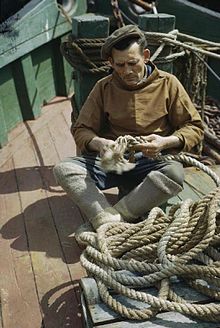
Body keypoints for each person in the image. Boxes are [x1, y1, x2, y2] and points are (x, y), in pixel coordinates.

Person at [53, 25, 204, 236]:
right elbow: (82, 129)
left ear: (145, 55)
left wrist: (165, 142)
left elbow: (194, 127)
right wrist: (100, 143)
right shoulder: (103, 87)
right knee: (64, 169)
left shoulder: (169, 84)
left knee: (174, 173)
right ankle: (108, 218)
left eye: (133, 63)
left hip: (153, 162)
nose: (127, 71)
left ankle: (114, 216)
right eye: (120, 65)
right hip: (115, 161)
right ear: (111, 63)